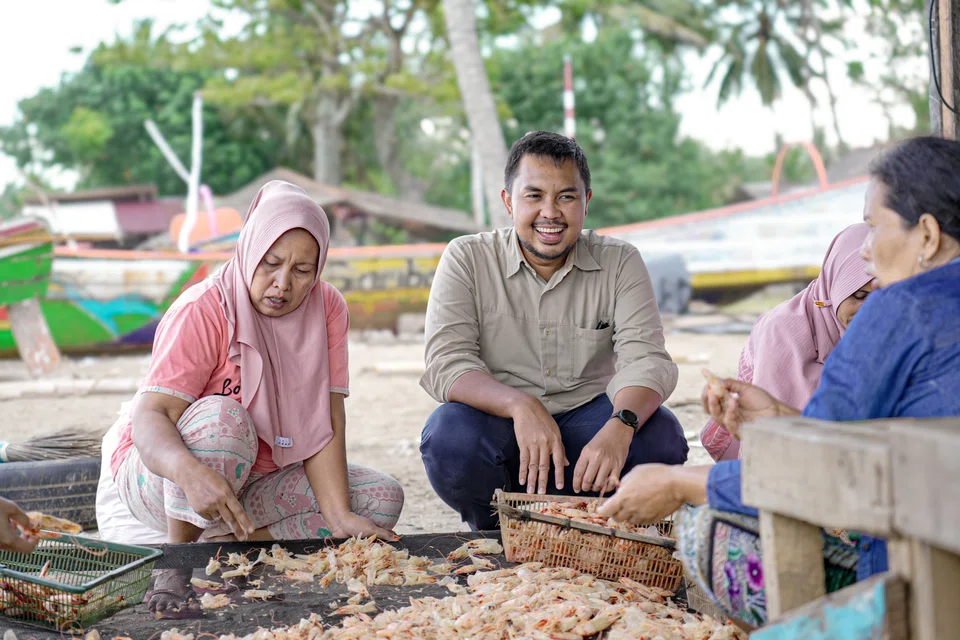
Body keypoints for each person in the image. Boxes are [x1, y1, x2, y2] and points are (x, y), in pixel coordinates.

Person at [598, 135, 960, 628]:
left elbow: (823, 469)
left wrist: (675, 481)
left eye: (874, 227)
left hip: (933, 583)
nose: (868, 251)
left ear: (928, 235)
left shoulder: (901, 307)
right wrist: (779, 420)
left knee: (710, 527)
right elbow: (886, 434)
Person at [98, 180, 404, 615]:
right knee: (225, 419)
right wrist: (189, 474)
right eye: (271, 263)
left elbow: (327, 418)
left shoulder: (327, 307)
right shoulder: (204, 307)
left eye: (302, 270)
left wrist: (338, 518)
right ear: (250, 249)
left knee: (381, 499)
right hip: (164, 480)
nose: (282, 284)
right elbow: (151, 417)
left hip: (255, 479)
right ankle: (177, 565)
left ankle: (224, 551)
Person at [419, 131, 688, 532]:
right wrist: (521, 406)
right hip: (502, 431)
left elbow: (646, 359)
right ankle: (497, 532)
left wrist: (621, 425)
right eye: (534, 196)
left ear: (586, 202)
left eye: (566, 196)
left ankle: (598, 525)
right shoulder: (466, 258)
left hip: (589, 430)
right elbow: (446, 363)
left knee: (661, 436)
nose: (551, 212)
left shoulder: (620, 262)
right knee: (449, 437)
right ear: (508, 201)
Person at [701, 223, 874, 461]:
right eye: (859, 296)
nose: (871, 311)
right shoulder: (783, 331)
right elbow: (767, 446)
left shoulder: (897, 325)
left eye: (883, 294)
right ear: (835, 286)